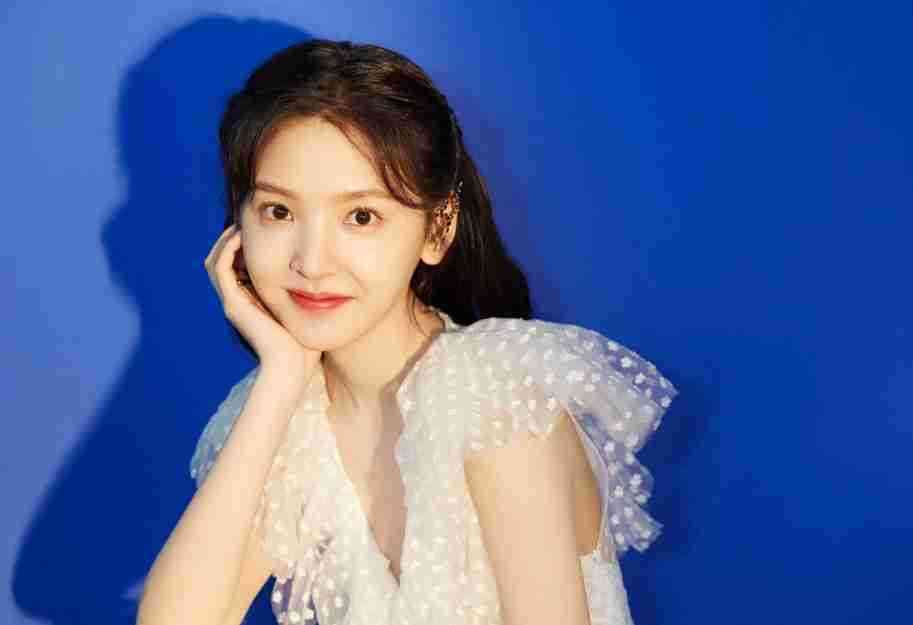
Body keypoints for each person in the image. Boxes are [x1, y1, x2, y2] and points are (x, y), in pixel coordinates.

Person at [138, 39, 678, 625]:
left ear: (437, 229)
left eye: (360, 217)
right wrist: (282, 377)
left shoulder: (496, 399)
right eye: (279, 212)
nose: (312, 262)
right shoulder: (294, 415)